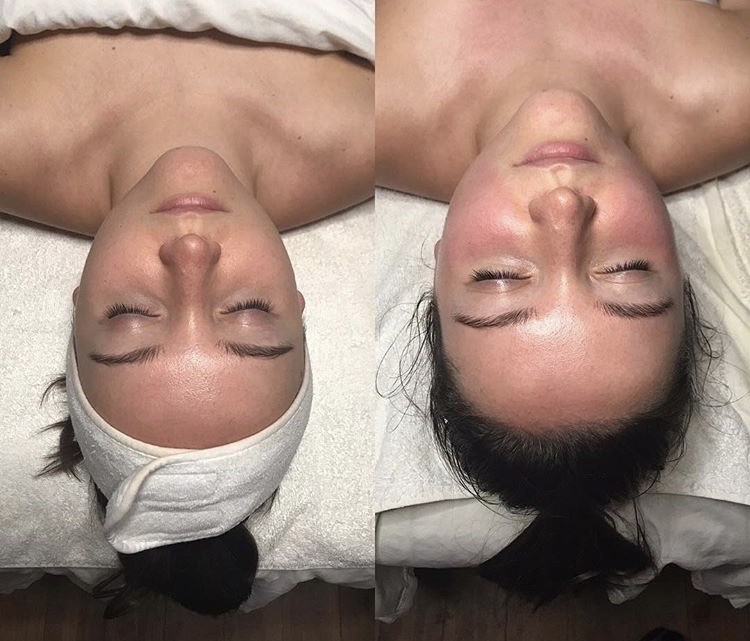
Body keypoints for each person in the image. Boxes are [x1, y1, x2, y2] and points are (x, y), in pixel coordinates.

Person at [376, 0, 747, 603]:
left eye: (499, 276)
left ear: (438, 265)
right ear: (681, 268)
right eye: (627, 270)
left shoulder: (362, 109)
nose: (564, 208)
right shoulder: (733, 96)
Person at [0, 27, 372, 615]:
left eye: (129, 314)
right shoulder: (376, 131)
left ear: (78, 306)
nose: (192, 252)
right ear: (298, 305)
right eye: (250, 310)